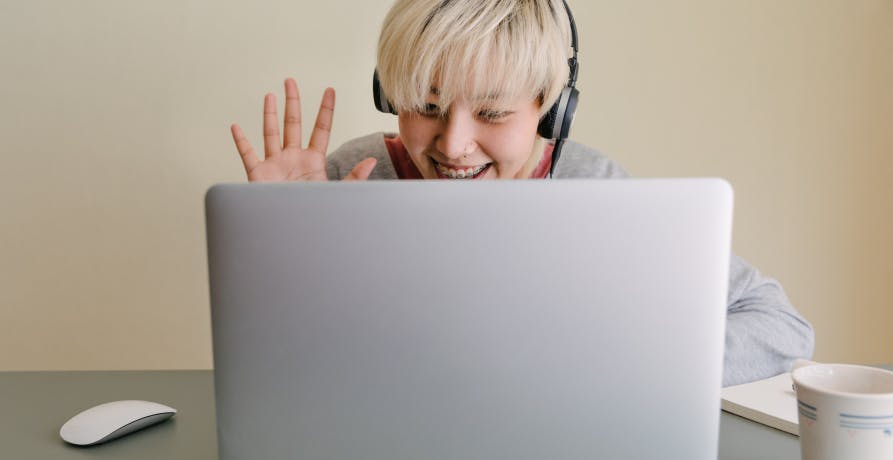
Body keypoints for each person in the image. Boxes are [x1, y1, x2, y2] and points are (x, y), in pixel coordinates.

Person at [229, 0, 814, 386]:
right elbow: (283, 368)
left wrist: (621, 364)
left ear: (550, 109)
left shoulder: (597, 193)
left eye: (491, 112)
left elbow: (779, 325)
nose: (454, 144)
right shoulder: (346, 179)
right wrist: (280, 252)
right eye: (427, 107)